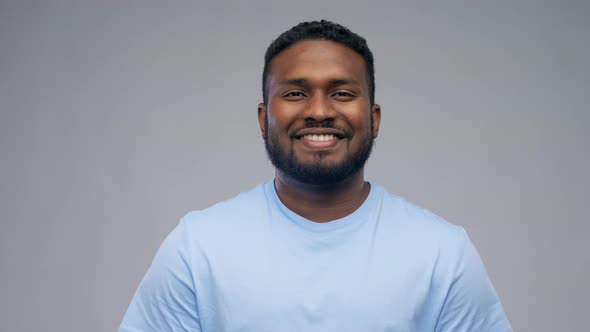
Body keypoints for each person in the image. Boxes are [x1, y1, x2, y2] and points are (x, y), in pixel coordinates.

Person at [119, 20, 512, 332]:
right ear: (263, 118)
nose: (320, 111)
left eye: (342, 93)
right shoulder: (197, 249)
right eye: (294, 94)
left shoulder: (442, 255)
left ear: (373, 119)